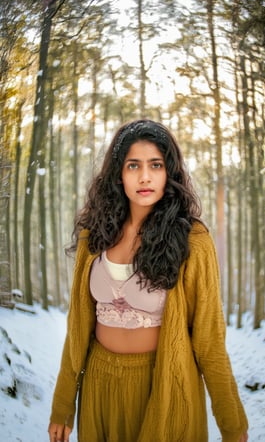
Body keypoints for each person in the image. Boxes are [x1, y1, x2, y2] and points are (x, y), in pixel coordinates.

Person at [48, 119, 248, 442]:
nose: (144, 177)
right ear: (118, 174)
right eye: (133, 166)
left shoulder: (192, 241)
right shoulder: (94, 236)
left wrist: (231, 422)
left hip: (164, 387)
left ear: (168, 172)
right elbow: (77, 329)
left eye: (155, 165)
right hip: (100, 386)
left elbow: (210, 340)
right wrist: (62, 403)